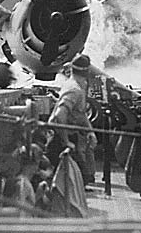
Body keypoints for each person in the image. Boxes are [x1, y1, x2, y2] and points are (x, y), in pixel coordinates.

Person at [46, 54, 98, 186]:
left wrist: (90, 132)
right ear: (87, 72)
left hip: (71, 134)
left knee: (82, 177)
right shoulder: (74, 90)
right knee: (67, 180)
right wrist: (66, 141)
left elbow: (81, 114)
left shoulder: (80, 86)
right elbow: (59, 115)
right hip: (59, 137)